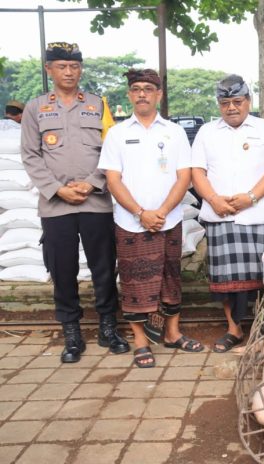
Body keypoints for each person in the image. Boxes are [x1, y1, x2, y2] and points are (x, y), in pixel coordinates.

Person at [20, 42, 129, 363]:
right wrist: (56, 189)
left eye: (74, 66)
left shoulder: (98, 105)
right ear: (49, 69)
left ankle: (109, 326)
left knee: (104, 268)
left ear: (80, 69)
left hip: (96, 202)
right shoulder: (35, 108)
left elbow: (112, 151)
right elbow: (30, 154)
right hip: (56, 206)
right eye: (62, 66)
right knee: (62, 269)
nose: (69, 72)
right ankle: (72, 332)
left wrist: (94, 182)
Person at [99, 68, 202, 368]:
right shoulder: (117, 134)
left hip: (168, 220)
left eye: (148, 88)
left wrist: (163, 211)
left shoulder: (174, 132)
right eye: (136, 88)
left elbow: (185, 176)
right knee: (134, 281)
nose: (142, 93)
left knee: (171, 277)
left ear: (159, 94)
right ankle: (141, 341)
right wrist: (140, 213)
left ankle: (172, 333)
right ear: (129, 95)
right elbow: (113, 180)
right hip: (130, 222)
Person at [191, 74, 264, 352]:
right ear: (219, 104)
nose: (231, 108)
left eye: (237, 101)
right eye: (225, 103)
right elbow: (197, 171)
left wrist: (251, 197)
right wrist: (212, 199)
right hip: (220, 215)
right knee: (227, 281)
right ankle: (233, 329)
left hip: (259, 215)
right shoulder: (207, 131)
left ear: (248, 101)